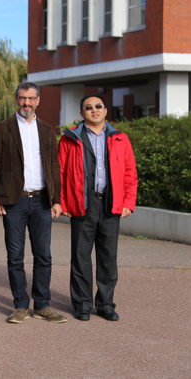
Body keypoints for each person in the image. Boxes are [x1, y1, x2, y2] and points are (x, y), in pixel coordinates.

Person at [0, 82, 67, 324]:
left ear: (38, 101)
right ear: (16, 100)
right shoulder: (2, 128)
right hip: (15, 201)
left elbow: (53, 165)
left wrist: (56, 200)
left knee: (44, 256)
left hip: (42, 200)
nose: (26, 103)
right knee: (15, 256)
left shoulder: (47, 129)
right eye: (22, 98)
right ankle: (21, 306)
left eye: (31, 98)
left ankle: (42, 305)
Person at [59, 95, 138, 322]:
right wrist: (63, 202)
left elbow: (130, 173)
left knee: (108, 257)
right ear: (82, 113)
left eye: (98, 106)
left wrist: (128, 202)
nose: (94, 110)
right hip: (83, 204)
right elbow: (61, 173)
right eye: (89, 107)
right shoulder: (69, 138)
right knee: (80, 257)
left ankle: (105, 304)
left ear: (105, 111)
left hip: (111, 204)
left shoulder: (120, 138)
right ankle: (82, 304)